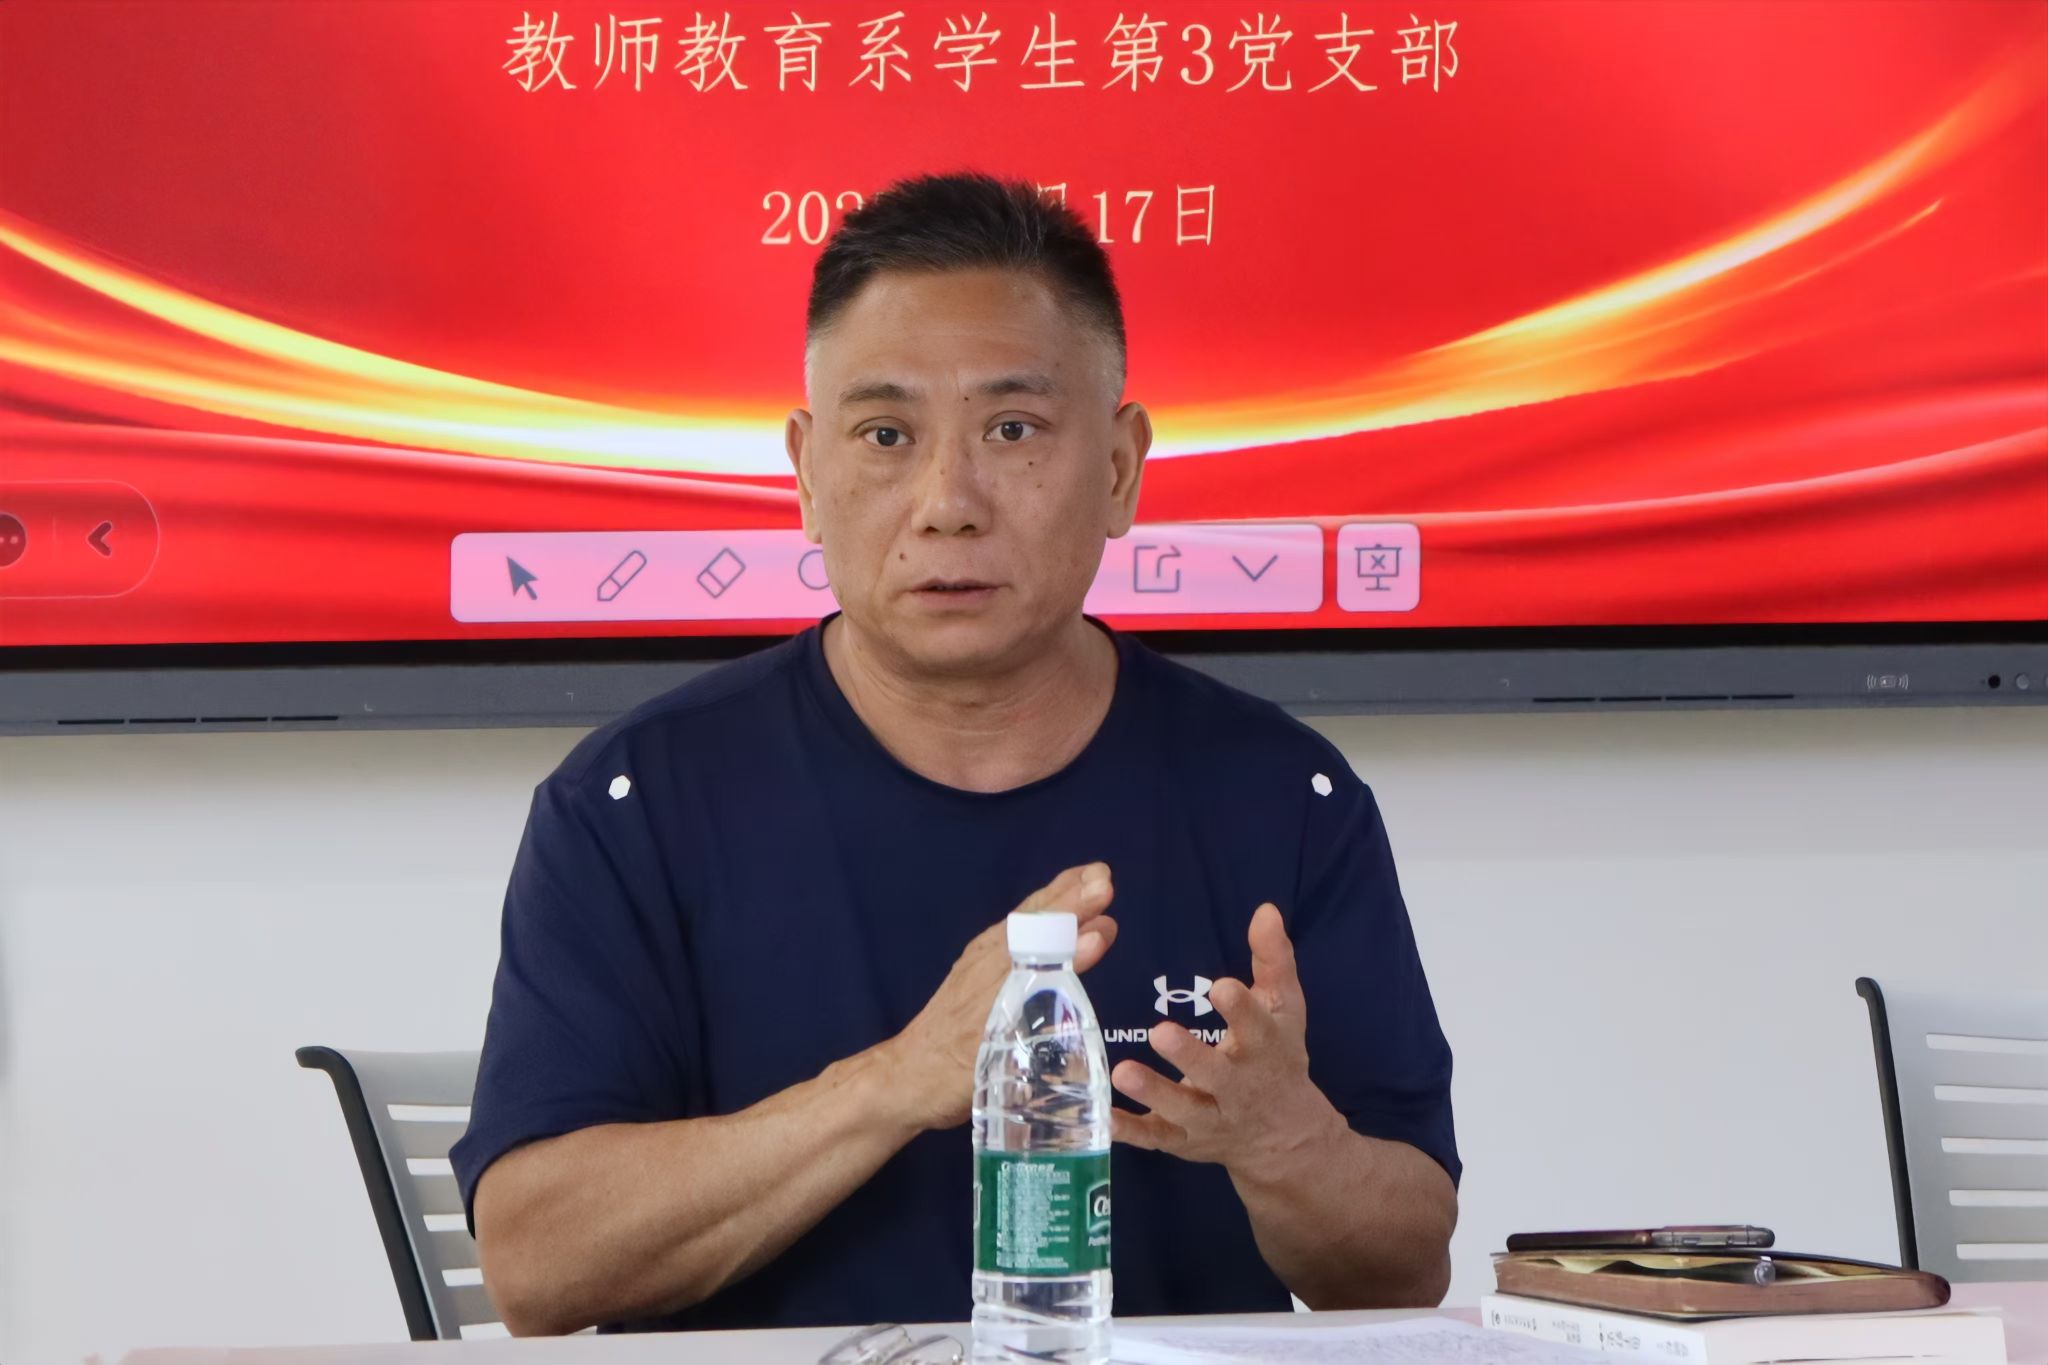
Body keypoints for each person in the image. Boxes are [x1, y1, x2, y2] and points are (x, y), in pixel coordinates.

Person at [451, 172, 1459, 1336]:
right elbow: (534, 1266)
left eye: (1011, 430)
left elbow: (1402, 1273)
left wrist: (1288, 1144)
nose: (947, 502)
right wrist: (900, 1081)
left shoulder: (1280, 795)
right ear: (806, 474)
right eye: (885, 435)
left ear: (1119, 467)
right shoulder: (634, 803)